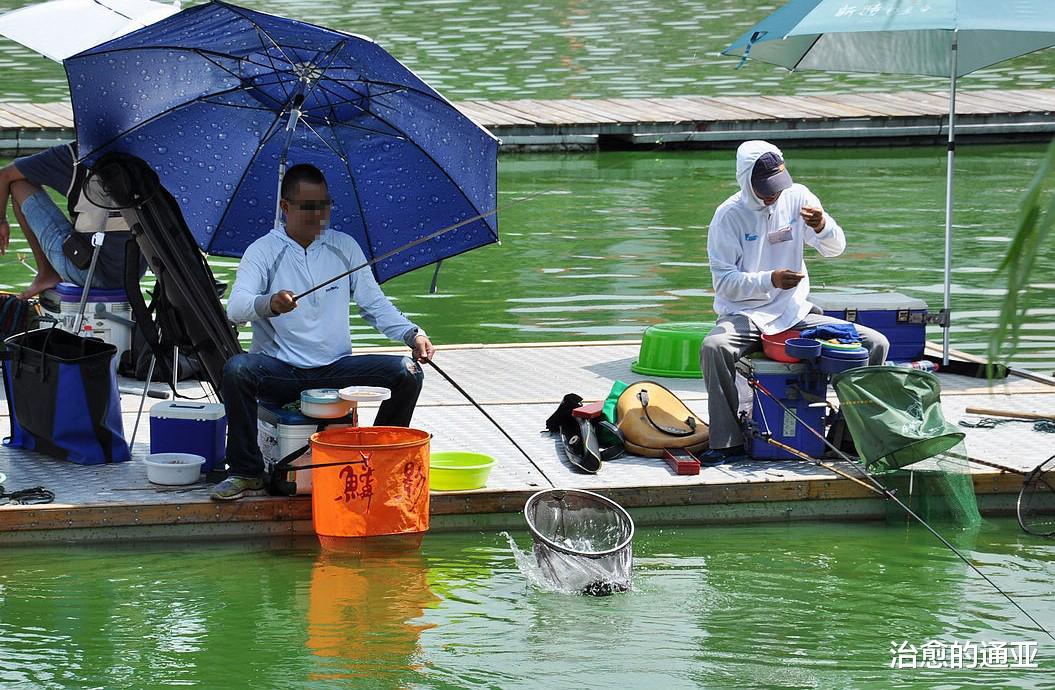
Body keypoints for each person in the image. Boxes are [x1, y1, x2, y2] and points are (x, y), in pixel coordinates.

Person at [211, 163, 435, 501]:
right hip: (280, 370)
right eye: (308, 207)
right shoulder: (263, 250)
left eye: (324, 205)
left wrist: (413, 334)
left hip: (334, 369)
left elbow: (374, 305)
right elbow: (237, 308)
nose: (318, 215)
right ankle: (246, 471)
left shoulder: (344, 247)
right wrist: (270, 303)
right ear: (285, 207)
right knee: (237, 369)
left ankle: (378, 459)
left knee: (407, 372)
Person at [699, 140, 889, 465]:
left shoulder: (798, 196)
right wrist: (769, 279)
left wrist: (823, 227)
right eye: (764, 188)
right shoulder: (728, 216)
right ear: (745, 181)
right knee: (714, 347)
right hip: (745, 314)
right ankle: (727, 440)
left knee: (875, 344)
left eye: (777, 185)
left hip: (794, 312)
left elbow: (835, 249)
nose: (773, 194)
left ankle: (845, 436)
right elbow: (725, 283)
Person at [0, 142, 143, 298]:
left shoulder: (75, 156)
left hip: (85, 269)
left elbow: (5, 175)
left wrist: (1, 221)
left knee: (19, 183)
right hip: (134, 273)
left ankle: (47, 273)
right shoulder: (148, 156)